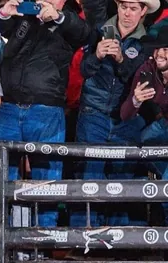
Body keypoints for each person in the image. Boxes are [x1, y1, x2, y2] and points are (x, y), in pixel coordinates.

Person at [0, 0, 90, 227]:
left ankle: (45, 244)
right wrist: (5, 13)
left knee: (46, 182)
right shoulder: (25, 15)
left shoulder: (69, 19)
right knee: (1, 179)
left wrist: (57, 17)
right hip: (9, 107)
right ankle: (3, 245)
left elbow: (85, 34)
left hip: (46, 110)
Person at [72, 0, 157, 227]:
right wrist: (96, 55)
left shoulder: (147, 43)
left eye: (133, 9)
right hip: (94, 113)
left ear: (143, 12)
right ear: (117, 6)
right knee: (89, 177)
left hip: (126, 118)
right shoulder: (98, 31)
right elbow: (84, 70)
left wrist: (120, 59)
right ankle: (83, 240)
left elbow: (136, 77)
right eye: (123, 7)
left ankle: (123, 241)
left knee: (125, 179)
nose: (127, 13)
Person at [120, 26, 168, 224]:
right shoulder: (147, 70)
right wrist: (136, 101)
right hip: (160, 129)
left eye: (167, 49)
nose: (160, 54)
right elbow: (125, 114)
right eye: (158, 49)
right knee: (140, 138)